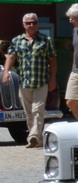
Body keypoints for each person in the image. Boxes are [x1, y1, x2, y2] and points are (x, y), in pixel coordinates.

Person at [4, 12, 57, 146]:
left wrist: (52, 79)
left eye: (34, 22)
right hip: (24, 82)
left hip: (41, 81)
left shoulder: (46, 40)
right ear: (24, 25)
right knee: (28, 113)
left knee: (37, 110)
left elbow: (53, 60)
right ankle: (37, 139)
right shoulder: (17, 40)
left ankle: (33, 136)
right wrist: (6, 73)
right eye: (28, 23)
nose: (31, 25)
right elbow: (11, 57)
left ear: (38, 24)